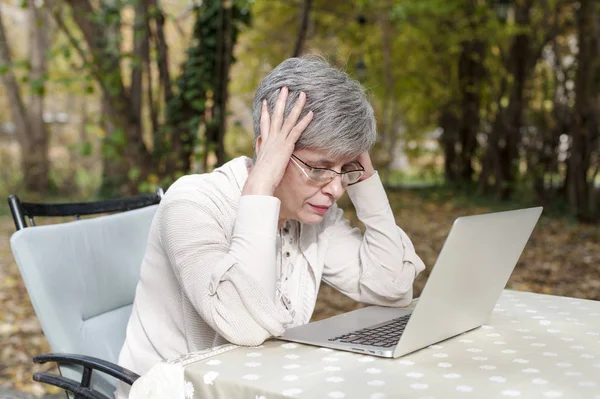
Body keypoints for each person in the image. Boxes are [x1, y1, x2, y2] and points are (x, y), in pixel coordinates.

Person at [116, 56, 425, 396]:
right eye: (319, 168)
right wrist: (261, 186)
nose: (336, 189)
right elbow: (244, 326)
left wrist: (365, 183)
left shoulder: (313, 216)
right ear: (269, 150)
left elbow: (391, 286)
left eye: (346, 169)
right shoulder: (193, 203)